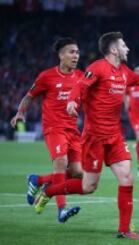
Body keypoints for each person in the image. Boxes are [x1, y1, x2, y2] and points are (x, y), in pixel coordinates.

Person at [33, 31, 139, 240]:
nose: (127, 48)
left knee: (127, 178)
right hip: (94, 137)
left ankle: (124, 229)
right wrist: (72, 101)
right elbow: (80, 86)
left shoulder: (125, 72)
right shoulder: (97, 68)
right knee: (88, 186)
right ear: (113, 49)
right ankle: (49, 192)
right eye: (124, 45)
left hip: (115, 136)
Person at [10, 37, 84, 223]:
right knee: (60, 162)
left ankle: (38, 180)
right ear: (61, 55)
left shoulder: (82, 77)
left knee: (78, 173)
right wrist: (20, 113)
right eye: (71, 52)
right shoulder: (47, 76)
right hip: (54, 128)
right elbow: (29, 96)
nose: (76, 56)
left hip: (73, 130)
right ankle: (61, 210)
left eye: (77, 52)